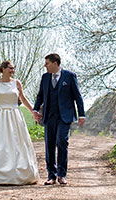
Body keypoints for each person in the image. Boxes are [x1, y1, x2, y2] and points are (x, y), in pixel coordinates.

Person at [31, 53, 85, 186]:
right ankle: (51, 176)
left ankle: (62, 175)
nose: (45, 66)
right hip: (49, 116)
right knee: (49, 145)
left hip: (64, 116)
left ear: (55, 63)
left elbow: (78, 96)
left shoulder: (70, 76)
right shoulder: (44, 77)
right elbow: (40, 96)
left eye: (47, 63)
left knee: (62, 142)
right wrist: (35, 110)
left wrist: (81, 114)